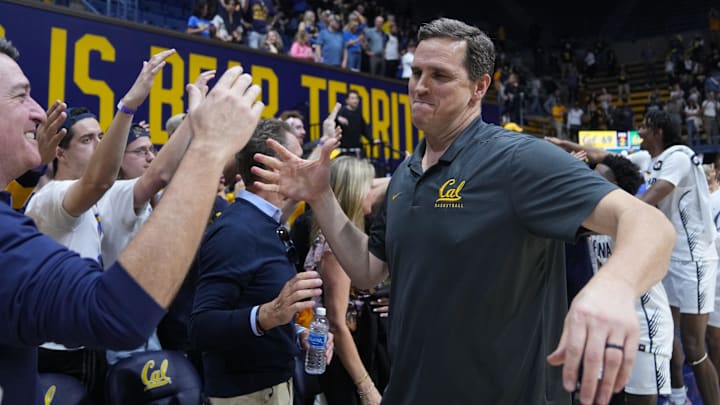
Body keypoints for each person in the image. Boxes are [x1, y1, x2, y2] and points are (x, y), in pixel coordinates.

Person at [252, 18, 675, 405]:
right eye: (416, 72)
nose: (420, 85)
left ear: (479, 87)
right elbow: (366, 269)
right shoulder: (406, 173)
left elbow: (649, 223)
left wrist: (615, 287)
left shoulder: (517, 159)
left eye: (440, 76)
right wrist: (323, 197)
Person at [0, 37, 263, 403]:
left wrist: (195, 122)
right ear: (61, 150)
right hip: (63, 348)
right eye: (20, 96)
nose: (38, 112)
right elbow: (115, 313)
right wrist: (205, 147)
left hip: (88, 346)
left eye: (100, 137)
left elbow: (156, 175)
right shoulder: (50, 197)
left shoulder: (103, 197)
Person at [189, 119, 333, 404]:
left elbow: (258, 298)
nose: (305, 167)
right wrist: (267, 315)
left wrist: (298, 331)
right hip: (245, 394)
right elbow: (201, 327)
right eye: (298, 159)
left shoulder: (265, 222)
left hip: (274, 385)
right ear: (270, 167)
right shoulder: (235, 231)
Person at [303, 156, 386, 405]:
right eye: (368, 186)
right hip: (346, 362)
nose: (375, 192)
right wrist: (366, 386)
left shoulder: (338, 235)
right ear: (352, 192)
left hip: (353, 352)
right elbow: (337, 324)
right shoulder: (335, 247)